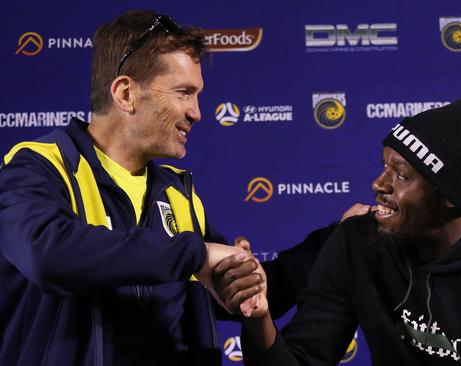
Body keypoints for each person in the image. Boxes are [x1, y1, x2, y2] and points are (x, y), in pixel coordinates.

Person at [0, 10, 338, 366]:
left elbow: (231, 290)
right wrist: (196, 255)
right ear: (126, 93)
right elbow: (47, 254)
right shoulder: (38, 167)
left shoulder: (178, 195)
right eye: (184, 92)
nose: (197, 112)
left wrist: (333, 243)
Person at [227, 99, 461, 365]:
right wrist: (259, 320)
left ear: (450, 195)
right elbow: (304, 358)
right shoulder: (357, 243)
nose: (378, 183)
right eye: (383, 166)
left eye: (400, 174)